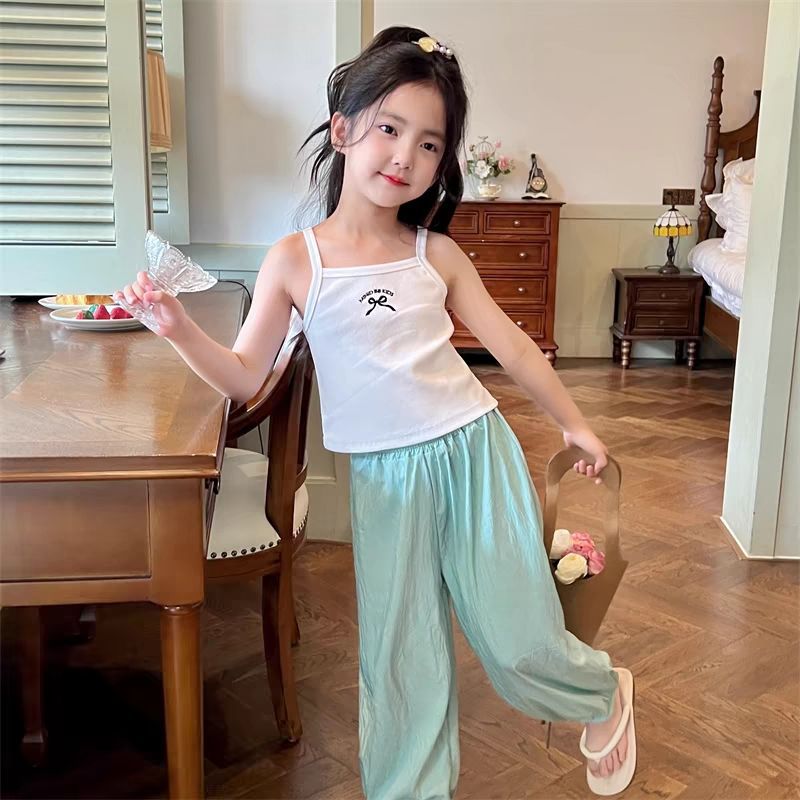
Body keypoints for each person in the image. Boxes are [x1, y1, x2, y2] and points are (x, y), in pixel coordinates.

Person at [116, 26, 636, 800]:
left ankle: (600, 692)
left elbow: (516, 348)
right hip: (385, 480)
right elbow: (243, 377)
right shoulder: (295, 259)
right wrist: (178, 328)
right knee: (399, 655)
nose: (405, 157)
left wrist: (574, 423)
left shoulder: (436, 255)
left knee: (517, 636)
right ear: (342, 130)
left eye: (429, 144)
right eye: (389, 129)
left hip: (474, 451)